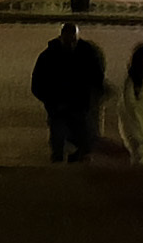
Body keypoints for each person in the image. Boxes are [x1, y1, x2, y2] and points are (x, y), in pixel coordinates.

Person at [31, 22, 107, 162]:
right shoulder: (49, 56)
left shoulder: (88, 53)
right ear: (61, 38)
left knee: (83, 142)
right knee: (58, 142)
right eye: (67, 41)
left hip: (79, 107)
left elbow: (97, 78)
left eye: (73, 41)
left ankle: (74, 162)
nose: (70, 45)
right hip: (59, 107)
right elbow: (37, 84)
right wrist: (51, 102)